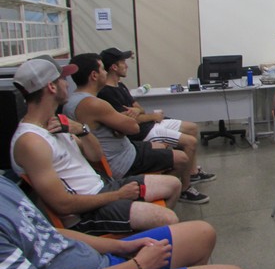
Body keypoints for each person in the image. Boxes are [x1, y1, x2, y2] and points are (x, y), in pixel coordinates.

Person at [10, 56, 181, 235]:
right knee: (168, 219)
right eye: (62, 80)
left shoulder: (55, 124)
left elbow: (95, 155)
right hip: (85, 212)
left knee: (173, 185)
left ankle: (146, 239)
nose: (68, 84)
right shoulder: (31, 142)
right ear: (51, 87)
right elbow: (62, 204)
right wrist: (118, 196)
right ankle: (143, 246)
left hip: (102, 188)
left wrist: (82, 130)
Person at [0, 174, 252, 269]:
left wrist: (120, 247)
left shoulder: (4, 184)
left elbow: (50, 232)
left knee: (202, 233)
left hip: (98, 263)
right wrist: (138, 267)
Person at [63, 53, 209, 204]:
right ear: (94, 75)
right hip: (123, 160)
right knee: (182, 158)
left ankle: (165, 184)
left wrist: (127, 119)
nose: (105, 73)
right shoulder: (94, 103)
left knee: (162, 146)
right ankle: (173, 189)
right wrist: (126, 121)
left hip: (126, 148)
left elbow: (127, 121)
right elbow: (133, 128)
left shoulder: (73, 101)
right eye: (102, 69)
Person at [97, 47, 215, 187]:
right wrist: (153, 116)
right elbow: (129, 121)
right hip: (142, 132)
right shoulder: (106, 93)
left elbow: (139, 109)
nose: (126, 65)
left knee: (192, 128)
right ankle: (184, 187)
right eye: (123, 62)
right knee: (190, 142)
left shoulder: (120, 86)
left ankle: (192, 173)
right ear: (114, 67)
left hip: (149, 124)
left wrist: (137, 110)